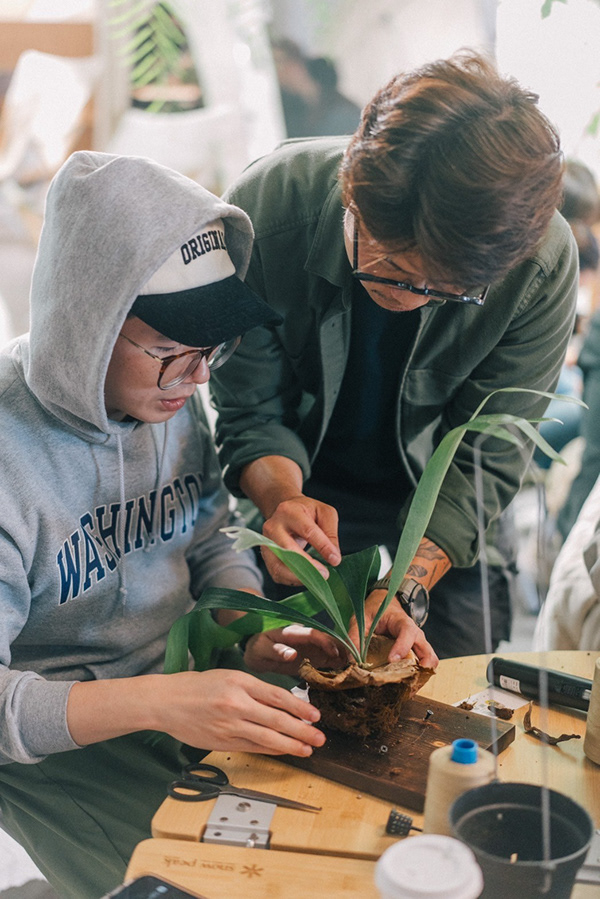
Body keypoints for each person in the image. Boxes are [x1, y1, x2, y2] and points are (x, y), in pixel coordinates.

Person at [0, 151, 340, 899]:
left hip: (184, 678)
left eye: (211, 349)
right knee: (197, 884)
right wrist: (160, 702)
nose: (200, 376)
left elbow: (208, 534)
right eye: (172, 351)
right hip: (57, 734)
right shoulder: (8, 457)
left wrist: (251, 627)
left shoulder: (169, 404)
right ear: (87, 324)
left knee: (325, 836)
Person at [209, 52, 579, 662]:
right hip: (300, 492)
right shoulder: (269, 210)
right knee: (276, 680)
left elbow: (487, 457)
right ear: (351, 189)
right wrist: (281, 502)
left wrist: (403, 587)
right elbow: (251, 412)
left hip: (447, 513)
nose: (410, 298)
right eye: (389, 266)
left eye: (446, 288)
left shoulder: (536, 263)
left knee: (453, 693)